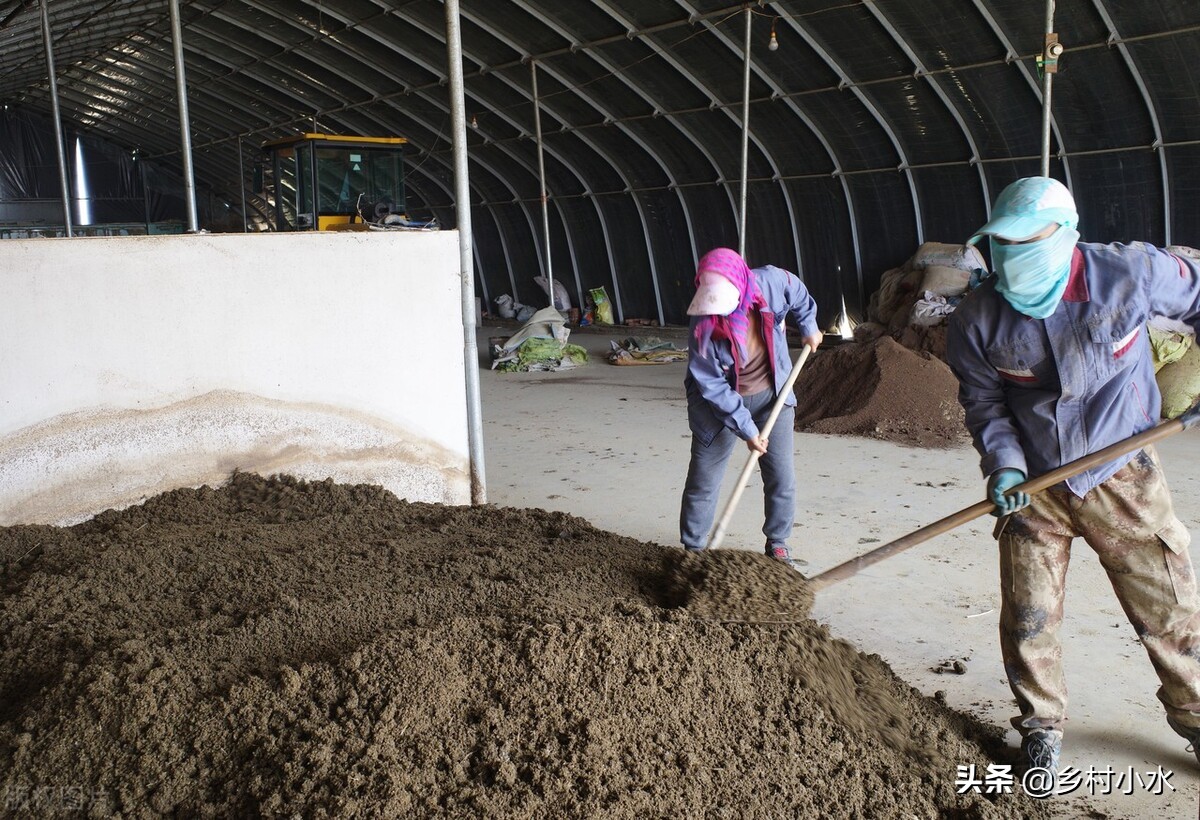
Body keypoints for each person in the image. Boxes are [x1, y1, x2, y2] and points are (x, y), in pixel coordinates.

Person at [945, 176, 1200, 780]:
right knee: (1029, 614)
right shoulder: (978, 318)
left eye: (1028, 244)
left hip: (1123, 470)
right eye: (1002, 246)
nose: (1013, 260)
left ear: (1066, 238)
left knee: (1169, 607)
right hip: (1035, 484)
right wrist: (1003, 464)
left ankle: (1195, 716)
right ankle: (1040, 726)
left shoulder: (1130, 274)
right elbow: (986, 405)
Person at [679, 247, 823, 566]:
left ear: (742, 285)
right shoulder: (703, 326)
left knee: (780, 475)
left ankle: (778, 542)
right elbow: (713, 385)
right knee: (705, 477)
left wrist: (809, 326)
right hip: (717, 408)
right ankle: (693, 551)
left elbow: (797, 292)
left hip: (774, 394)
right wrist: (747, 430)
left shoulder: (770, 283)